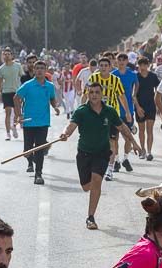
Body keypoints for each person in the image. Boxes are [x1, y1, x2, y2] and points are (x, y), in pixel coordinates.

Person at [57, 82, 140, 229]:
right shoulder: (81, 111)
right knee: (86, 186)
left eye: (97, 92)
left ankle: (90, 217)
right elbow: (70, 126)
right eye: (91, 92)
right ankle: (89, 193)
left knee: (96, 180)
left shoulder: (110, 111)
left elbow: (122, 128)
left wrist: (134, 143)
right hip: (84, 153)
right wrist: (65, 133)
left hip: (102, 153)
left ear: (102, 94)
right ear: (87, 94)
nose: (94, 95)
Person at [14, 60, 61, 185]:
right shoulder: (28, 85)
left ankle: (38, 174)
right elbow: (16, 98)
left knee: (39, 149)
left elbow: (51, 98)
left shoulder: (49, 86)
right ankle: (34, 159)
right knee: (27, 151)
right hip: (29, 122)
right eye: (37, 68)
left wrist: (55, 107)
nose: (39, 70)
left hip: (43, 122)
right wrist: (19, 115)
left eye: (42, 68)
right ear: (33, 70)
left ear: (46, 70)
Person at [85, 56, 131, 177]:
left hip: (112, 114)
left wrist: (127, 112)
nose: (104, 68)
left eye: (106, 66)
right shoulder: (93, 78)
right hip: (95, 114)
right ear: (98, 67)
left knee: (112, 141)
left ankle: (109, 170)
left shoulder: (115, 80)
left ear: (110, 67)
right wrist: (83, 111)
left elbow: (122, 96)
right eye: (102, 65)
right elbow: (85, 95)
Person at [111, 52, 140, 172]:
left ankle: (126, 158)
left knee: (128, 137)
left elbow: (137, 84)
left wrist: (134, 94)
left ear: (127, 61)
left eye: (124, 60)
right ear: (116, 62)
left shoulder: (132, 74)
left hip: (128, 110)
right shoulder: (113, 74)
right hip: (115, 110)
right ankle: (116, 160)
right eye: (119, 60)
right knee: (115, 138)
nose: (122, 62)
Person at [0, 49, 24, 141]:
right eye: (5, 54)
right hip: (6, 92)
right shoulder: (1, 69)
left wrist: (24, 91)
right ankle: (8, 133)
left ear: (12, 56)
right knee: (7, 112)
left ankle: (14, 126)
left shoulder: (18, 66)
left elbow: (22, 78)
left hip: (17, 91)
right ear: (3, 56)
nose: (7, 56)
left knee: (17, 113)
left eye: (8, 54)